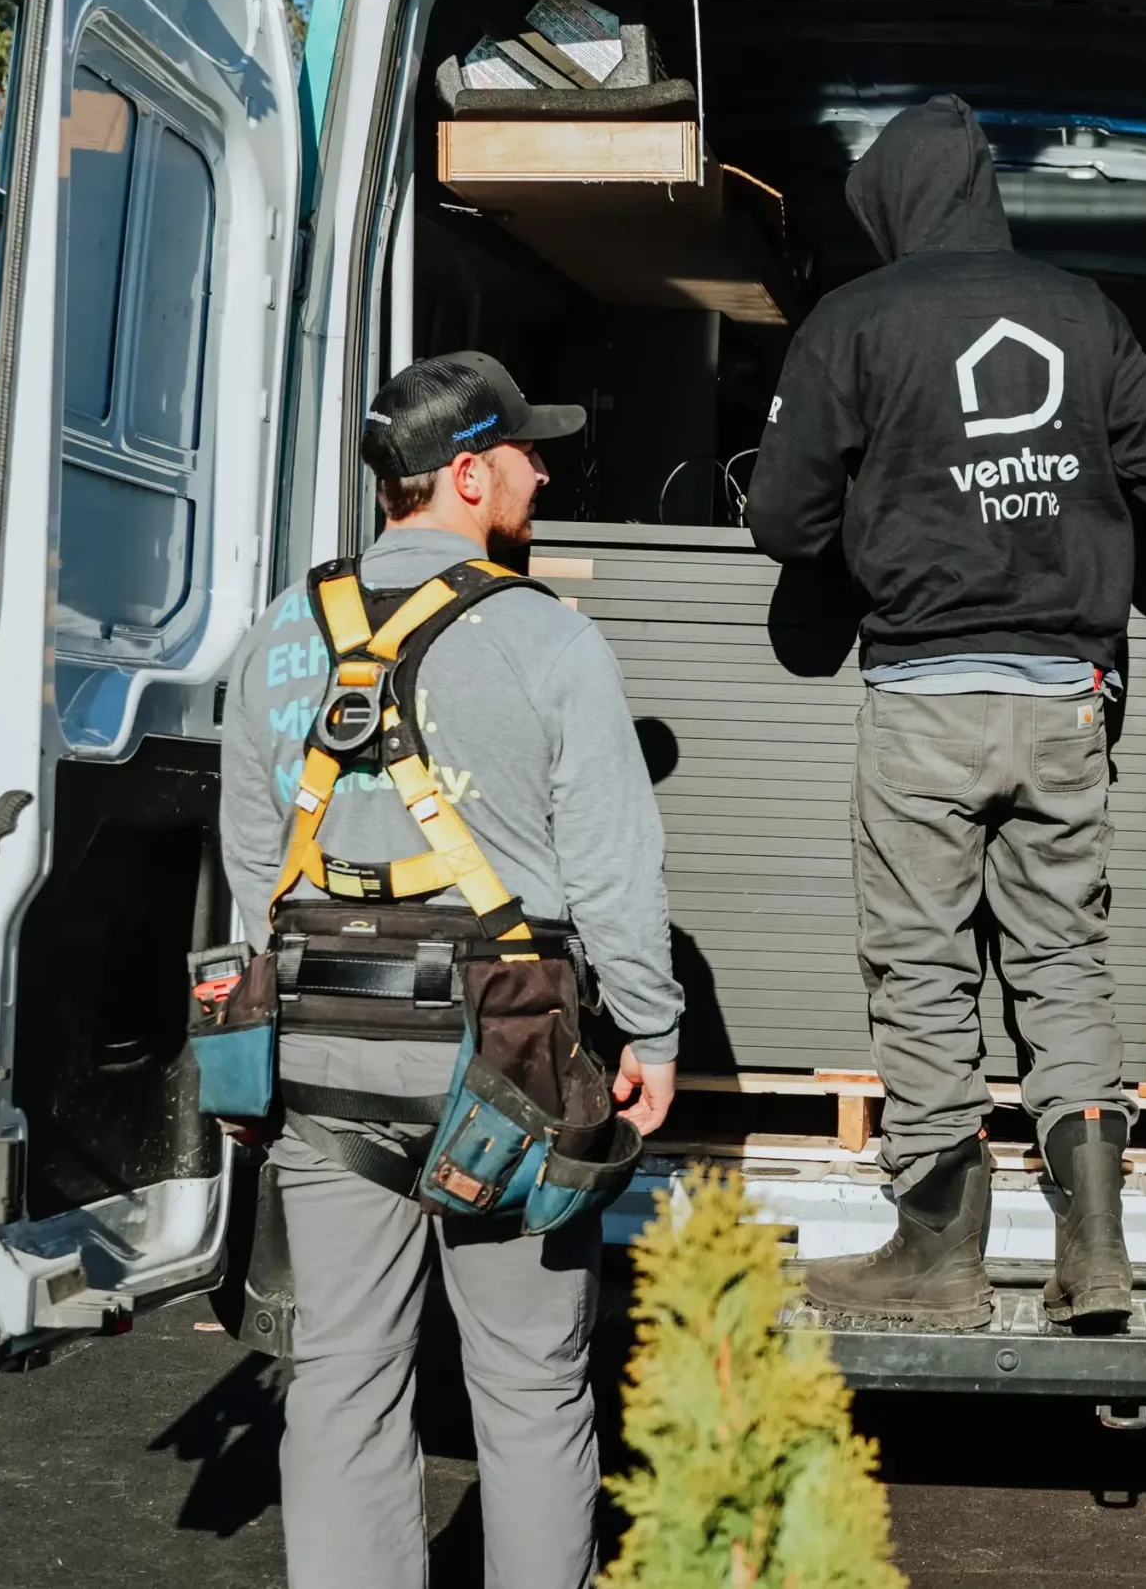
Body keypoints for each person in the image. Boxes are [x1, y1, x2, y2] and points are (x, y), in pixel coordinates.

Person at [218, 351, 684, 1589]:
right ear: (469, 473)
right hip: (507, 1059)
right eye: (530, 451)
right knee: (529, 1382)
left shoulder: (277, 632)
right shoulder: (547, 637)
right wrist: (650, 1030)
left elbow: (251, 862)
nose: (545, 469)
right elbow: (611, 869)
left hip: (319, 1046)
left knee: (343, 1376)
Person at [749, 95, 1146, 1330]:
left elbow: (782, 524)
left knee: (923, 968)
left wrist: (887, 507)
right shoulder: (1081, 310)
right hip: (1065, 701)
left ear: (893, 205)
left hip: (925, 704)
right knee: (1062, 963)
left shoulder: (855, 321)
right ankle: (1094, 1254)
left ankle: (938, 1259)